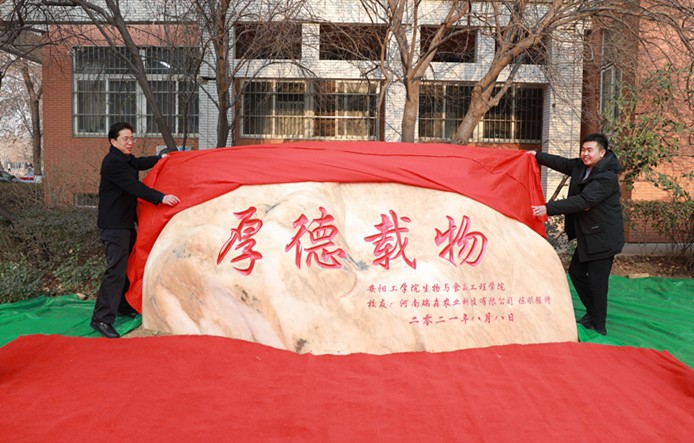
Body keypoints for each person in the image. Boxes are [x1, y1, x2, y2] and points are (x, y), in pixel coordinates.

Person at [528, 133, 624, 335]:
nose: (585, 154)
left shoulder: (607, 178)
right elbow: (561, 163)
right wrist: (536, 156)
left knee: (597, 283)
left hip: (603, 237)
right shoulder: (581, 167)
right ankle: (592, 313)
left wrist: (547, 208)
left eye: (590, 150)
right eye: (583, 150)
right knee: (576, 273)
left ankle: (599, 325)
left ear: (602, 153)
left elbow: (583, 200)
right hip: (588, 235)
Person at [91, 122, 180, 338]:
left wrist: (160, 158)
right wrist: (160, 197)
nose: (130, 142)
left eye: (132, 138)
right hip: (113, 225)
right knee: (115, 271)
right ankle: (101, 319)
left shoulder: (125, 158)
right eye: (125, 139)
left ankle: (122, 305)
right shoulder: (112, 162)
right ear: (113, 141)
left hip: (124, 223)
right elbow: (134, 187)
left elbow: (138, 162)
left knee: (127, 266)